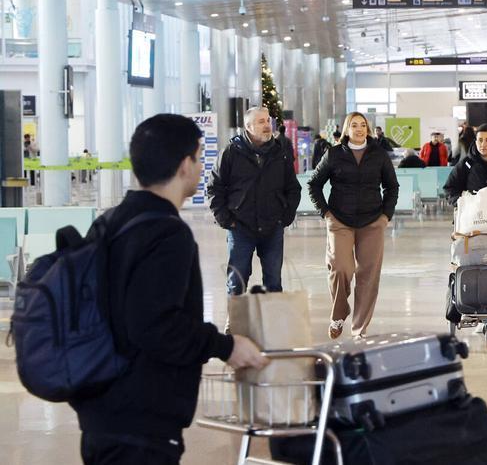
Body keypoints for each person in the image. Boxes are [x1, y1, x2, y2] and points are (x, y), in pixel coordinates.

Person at [70, 114, 267, 465]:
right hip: (141, 418)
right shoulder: (167, 233)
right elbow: (156, 326)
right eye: (198, 155)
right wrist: (226, 346)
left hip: (102, 411)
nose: (199, 165)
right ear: (184, 165)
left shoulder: (110, 221)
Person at [308, 112, 400, 339]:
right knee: (341, 268)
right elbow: (314, 184)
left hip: (372, 221)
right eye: (354, 125)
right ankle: (339, 313)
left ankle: (359, 329)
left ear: (367, 129)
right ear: (347, 129)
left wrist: (385, 216)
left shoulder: (378, 155)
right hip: (339, 220)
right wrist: (326, 213)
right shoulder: (334, 154)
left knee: (368, 276)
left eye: (363, 125)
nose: (359, 129)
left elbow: (392, 187)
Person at [209, 107, 302, 297]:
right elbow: (215, 188)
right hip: (240, 226)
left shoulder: (280, 152)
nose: (267, 125)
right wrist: (226, 220)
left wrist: (286, 216)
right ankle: (236, 323)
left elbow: (293, 187)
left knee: (273, 283)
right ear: (248, 126)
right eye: (261, 122)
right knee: (237, 281)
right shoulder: (231, 152)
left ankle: (270, 323)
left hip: (272, 226)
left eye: (268, 121)